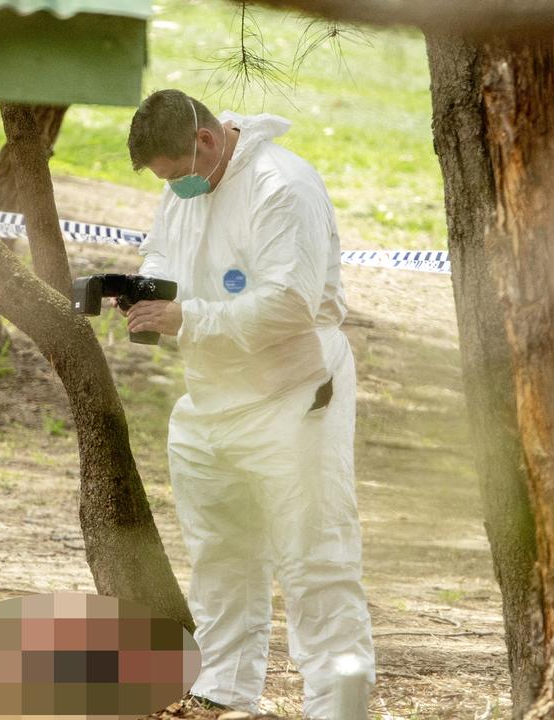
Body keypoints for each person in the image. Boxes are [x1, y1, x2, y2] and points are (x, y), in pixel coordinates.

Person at [123, 88, 375, 718]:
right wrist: (143, 290)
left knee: (316, 557)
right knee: (221, 554)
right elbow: (163, 250)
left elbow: (289, 302)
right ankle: (223, 689)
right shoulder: (186, 185)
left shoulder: (281, 187)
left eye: (179, 174)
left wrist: (187, 317)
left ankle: (337, 706)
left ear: (206, 140)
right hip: (212, 400)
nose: (176, 187)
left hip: (292, 395)